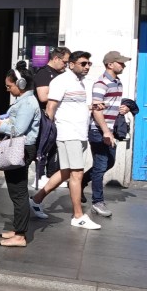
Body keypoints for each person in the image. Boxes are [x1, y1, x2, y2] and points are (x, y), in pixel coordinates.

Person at [29, 50, 101, 230]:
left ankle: (36, 200)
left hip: (80, 133)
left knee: (66, 172)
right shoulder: (61, 81)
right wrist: (47, 136)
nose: (87, 67)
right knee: (77, 174)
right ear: (72, 64)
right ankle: (78, 216)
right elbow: (51, 107)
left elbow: (75, 105)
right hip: (68, 133)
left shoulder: (83, 83)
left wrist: (93, 106)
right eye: (83, 63)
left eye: (89, 64)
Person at [0, 61, 40, 247]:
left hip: (22, 148)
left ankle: (21, 236)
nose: (8, 89)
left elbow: (18, 128)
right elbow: (12, 117)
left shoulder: (28, 103)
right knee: (17, 191)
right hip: (21, 147)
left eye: (10, 86)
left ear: (21, 84)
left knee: (19, 193)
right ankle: (17, 230)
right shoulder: (24, 101)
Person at [82, 51, 131, 217]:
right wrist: (105, 131)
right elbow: (97, 110)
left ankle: (81, 181)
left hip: (110, 130)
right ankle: (97, 202)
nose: (123, 65)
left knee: (109, 162)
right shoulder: (101, 83)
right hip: (99, 130)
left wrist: (123, 108)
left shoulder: (118, 82)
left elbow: (111, 105)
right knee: (102, 165)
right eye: (120, 63)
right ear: (110, 64)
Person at [32, 47, 70, 187]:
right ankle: (39, 176)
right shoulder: (44, 73)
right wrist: (64, 95)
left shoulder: (61, 74)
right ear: (55, 59)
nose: (65, 65)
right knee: (44, 145)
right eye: (64, 62)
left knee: (55, 147)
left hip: (58, 116)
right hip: (45, 116)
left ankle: (52, 176)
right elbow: (43, 96)